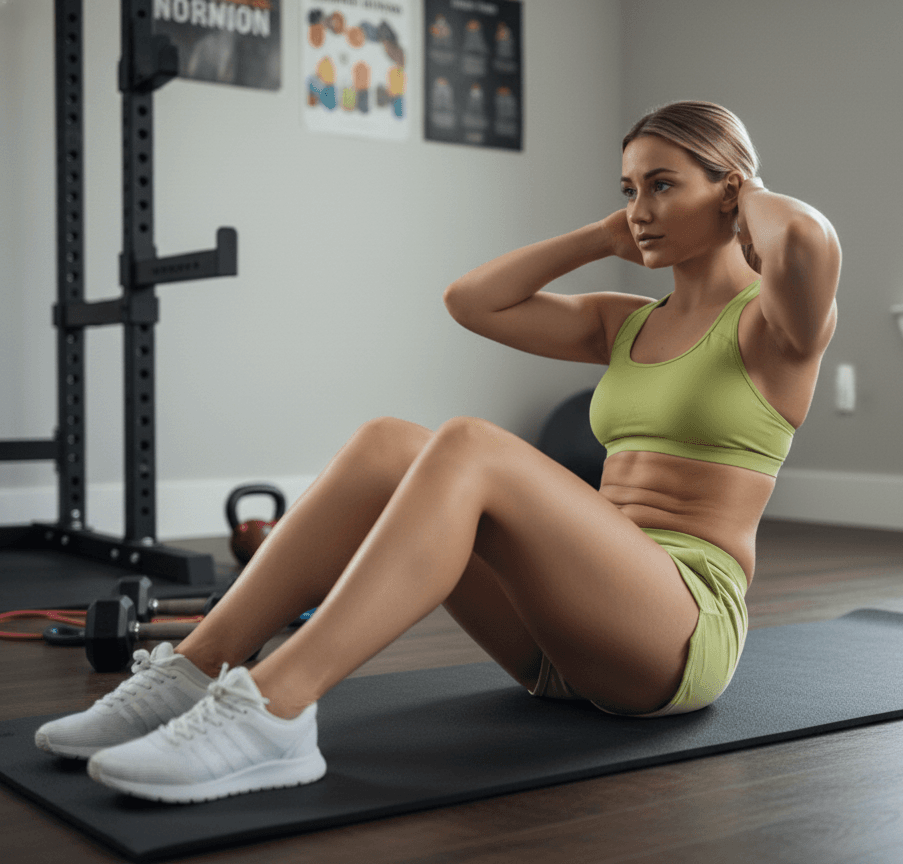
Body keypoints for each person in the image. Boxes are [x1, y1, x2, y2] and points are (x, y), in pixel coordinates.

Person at [35, 100, 841, 803]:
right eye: (627, 189)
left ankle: (275, 711)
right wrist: (602, 234)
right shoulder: (622, 322)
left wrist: (752, 194)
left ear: (728, 188)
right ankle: (197, 668)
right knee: (390, 442)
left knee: (470, 446)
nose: (638, 207)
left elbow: (803, 239)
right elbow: (471, 301)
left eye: (662, 184)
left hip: (679, 636)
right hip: (562, 642)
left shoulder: (777, 329)